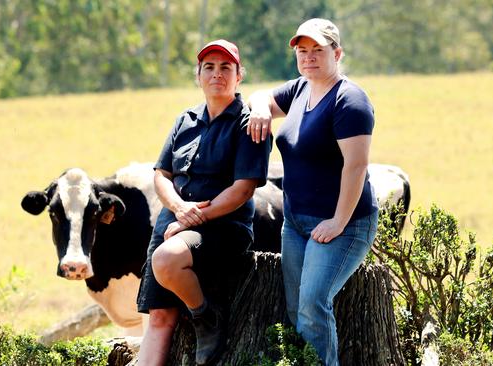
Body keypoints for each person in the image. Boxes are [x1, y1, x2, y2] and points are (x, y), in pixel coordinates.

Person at [247, 18, 378, 366]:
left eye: (318, 50)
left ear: (337, 53)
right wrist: (260, 108)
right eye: (302, 51)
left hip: (344, 224)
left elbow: (356, 166)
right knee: (294, 308)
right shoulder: (300, 89)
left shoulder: (350, 101)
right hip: (296, 223)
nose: (308, 57)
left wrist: (337, 222)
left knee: (312, 304)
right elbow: (263, 97)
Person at [135, 39, 272, 366]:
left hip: (224, 227)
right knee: (159, 317)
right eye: (209, 67)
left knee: (167, 259)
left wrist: (189, 219)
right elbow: (161, 175)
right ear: (198, 75)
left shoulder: (248, 123)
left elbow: (242, 190)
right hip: (174, 222)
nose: (217, 74)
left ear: (239, 76)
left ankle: (205, 315)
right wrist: (179, 210)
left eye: (226, 67)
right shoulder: (185, 120)